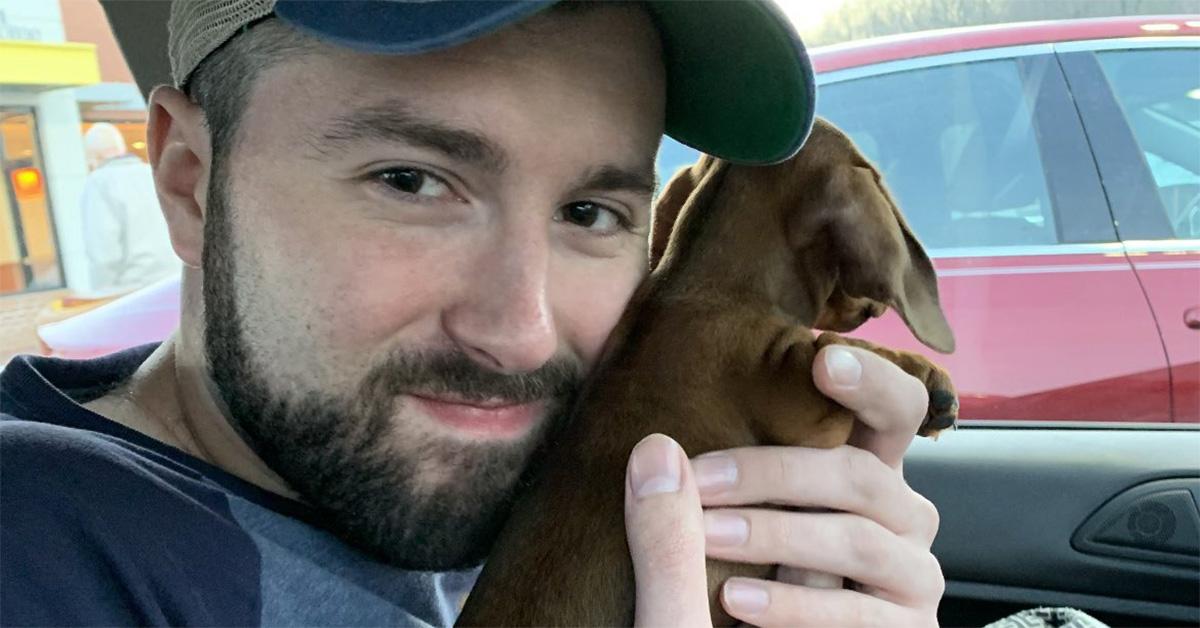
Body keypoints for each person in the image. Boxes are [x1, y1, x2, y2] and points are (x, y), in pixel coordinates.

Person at [0, 1, 944, 626]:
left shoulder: (560, 481)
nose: (521, 331)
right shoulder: (41, 549)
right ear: (190, 184)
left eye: (591, 213)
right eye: (412, 182)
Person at [79, 122, 180, 296]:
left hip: (133, 288)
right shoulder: (154, 174)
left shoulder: (99, 183)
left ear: (92, 157)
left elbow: (104, 251)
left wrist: (102, 292)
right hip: (174, 280)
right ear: (121, 147)